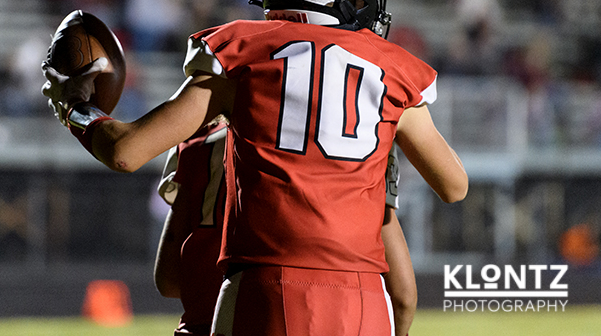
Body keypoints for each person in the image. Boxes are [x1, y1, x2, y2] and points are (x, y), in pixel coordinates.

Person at [42, 0, 468, 336]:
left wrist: (74, 105)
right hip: (364, 298)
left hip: (269, 289)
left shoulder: (243, 53)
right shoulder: (392, 71)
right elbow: (454, 186)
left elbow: (126, 151)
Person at [154, 123, 417, 336]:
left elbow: (169, 279)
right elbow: (403, 296)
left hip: (206, 323)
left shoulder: (195, 137)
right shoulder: (356, 137)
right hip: (301, 309)